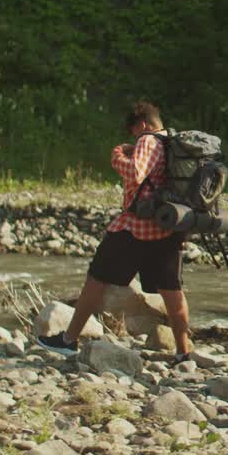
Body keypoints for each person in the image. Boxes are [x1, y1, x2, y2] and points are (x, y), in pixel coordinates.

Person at [37, 101, 194, 362]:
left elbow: (134, 173)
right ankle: (184, 352)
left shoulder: (147, 140)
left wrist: (117, 156)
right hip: (166, 229)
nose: (134, 137)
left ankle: (68, 340)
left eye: (134, 131)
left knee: (96, 279)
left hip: (134, 228)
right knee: (172, 291)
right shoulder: (170, 144)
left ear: (142, 125)